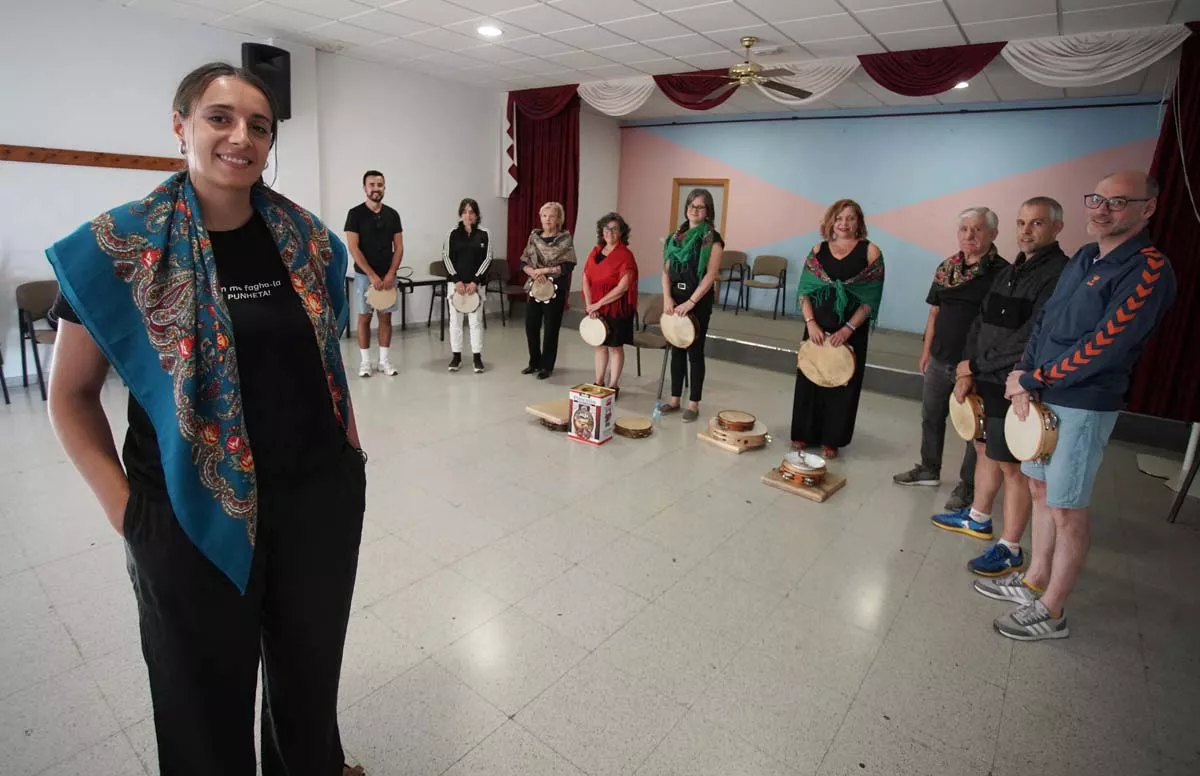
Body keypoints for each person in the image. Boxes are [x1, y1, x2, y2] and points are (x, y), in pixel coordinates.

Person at [45, 62, 367, 776]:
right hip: (187, 514)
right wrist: (127, 513)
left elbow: (325, 362)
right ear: (181, 126)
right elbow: (69, 396)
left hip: (316, 504)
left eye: (258, 125)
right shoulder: (120, 249)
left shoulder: (309, 242)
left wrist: (352, 458)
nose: (240, 137)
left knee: (308, 691)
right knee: (200, 704)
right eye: (220, 117)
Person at [984, 172, 1176, 641]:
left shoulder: (1148, 268)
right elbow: (1046, 321)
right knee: (1041, 493)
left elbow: (1106, 344)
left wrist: (1035, 377)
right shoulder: (1087, 256)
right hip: (1041, 393)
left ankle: (1053, 611)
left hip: (1084, 403)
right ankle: (1035, 581)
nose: (1101, 209)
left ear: (1146, 209)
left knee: (1069, 509)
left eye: (1117, 202)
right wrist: (1023, 376)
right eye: (1097, 198)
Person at [932, 199, 1069, 579]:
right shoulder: (1010, 271)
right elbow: (981, 321)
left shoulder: (1058, 274)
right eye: (1021, 222)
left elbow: (1030, 338)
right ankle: (978, 517)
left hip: (1015, 383)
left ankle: (1010, 546)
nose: (1026, 231)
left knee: (1013, 467)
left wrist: (975, 365)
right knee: (985, 449)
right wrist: (967, 366)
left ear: (1057, 228)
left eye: (1037, 223)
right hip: (985, 376)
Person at [893, 208, 1002, 509]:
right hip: (940, 358)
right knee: (931, 416)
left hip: (975, 366)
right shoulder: (947, 268)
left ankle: (967, 486)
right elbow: (934, 311)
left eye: (978, 229)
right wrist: (926, 350)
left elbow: (997, 328)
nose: (970, 235)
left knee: (972, 429)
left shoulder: (1001, 273)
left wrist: (975, 365)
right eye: (964, 229)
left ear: (993, 234)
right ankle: (929, 468)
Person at [791, 199, 885, 458]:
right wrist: (810, 323)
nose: (844, 223)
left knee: (842, 383)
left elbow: (870, 299)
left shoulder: (871, 252)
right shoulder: (818, 249)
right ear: (831, 221)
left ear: (859, 222)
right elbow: (804, 292)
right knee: (811, 378)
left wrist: (848, 329)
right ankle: (803, 434)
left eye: (851, 218)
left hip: (851, 329)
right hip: (816, 328)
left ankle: (832, 439)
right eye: (839, 218)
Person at [657, 188, 725, 423]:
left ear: (708, 211)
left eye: (700, 206)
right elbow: (666, 271)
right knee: (676, 348)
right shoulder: (675, 237)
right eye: (691, 205)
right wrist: (667, 298)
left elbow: (710, 275)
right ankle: (675, 399)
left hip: (697, 302)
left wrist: (691, 302)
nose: (694, 210)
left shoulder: (712, 238)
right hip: (674, 300)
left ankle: (693, 404)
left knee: (694, 353)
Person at [345, 169, 404, 377]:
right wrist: (371, 275)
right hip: (364, 276)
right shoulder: (355, 214)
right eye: (372, 185)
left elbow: (399, 247)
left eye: (380, 185)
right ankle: (365, 363)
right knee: (364, 317)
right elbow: (353, 247)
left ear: (384, 188)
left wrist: (390, 274)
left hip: (388, 276)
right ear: (365, 188)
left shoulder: (392, 215)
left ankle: (384, 361)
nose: (376, 188)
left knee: (385, 318)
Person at [582, 212, 638, 397]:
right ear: (601, 231)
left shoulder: (625, 255)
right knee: (599, 345)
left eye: (615, 229)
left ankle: (613, 385)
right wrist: (590, 305)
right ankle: (599, 381)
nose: (610, 232)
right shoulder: (596, 251)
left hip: (616, 307)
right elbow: (585, 278)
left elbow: (623, 287)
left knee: (615, 346)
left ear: (621, 232)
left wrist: (598, 304)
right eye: (606, 228)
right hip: (595, 306)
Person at [521, 201, 577, 379]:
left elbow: (568, 265)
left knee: (551, 329)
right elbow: (523, 261)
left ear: (558, 219)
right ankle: (534, 362)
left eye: (552, 216)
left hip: (556, 288)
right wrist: (533, 272)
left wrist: (545, 271)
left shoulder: (565, 239)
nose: (547, 219)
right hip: (535, 286)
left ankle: (547, 366)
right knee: (531, 326)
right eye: (544, 216)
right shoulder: (534, 237)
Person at [442, 197, 492, 374]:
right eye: (464, 211)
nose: (468, 215)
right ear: (460, 214)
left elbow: (488, 258)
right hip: (456, 286)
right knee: (455, 322)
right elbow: (446, 257)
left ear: (477, 215)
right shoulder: (452, 233)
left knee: (475, 322)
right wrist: (456, 281)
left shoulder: (484, 233)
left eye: (471, 212)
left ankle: (477, 357)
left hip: (475, 286)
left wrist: (475, 281)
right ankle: (456, 356)